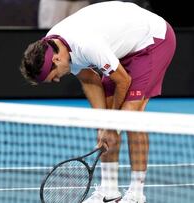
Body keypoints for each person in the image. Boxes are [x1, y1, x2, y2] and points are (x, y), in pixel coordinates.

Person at [20, 1, 176, 203]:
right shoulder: (54, 45)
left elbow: (123, 81)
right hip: (121, 47)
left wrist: (113, 124)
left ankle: (136, 195)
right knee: (104, 123)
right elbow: (89, 79)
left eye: (54, 76)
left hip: (152, 40)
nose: (58, 80)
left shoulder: (85, 45)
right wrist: (104, 124)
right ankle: (109, 192)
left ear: (56, 60)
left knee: (131, 117)